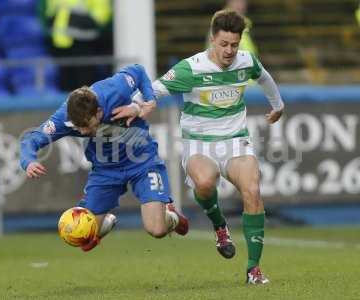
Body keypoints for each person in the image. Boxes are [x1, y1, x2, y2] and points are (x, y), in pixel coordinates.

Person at [113, 10, 284, 284]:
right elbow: (154, 89)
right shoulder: (191, 69)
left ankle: (253, 269)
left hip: (235, 139)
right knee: (204, 185)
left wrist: (278, 106)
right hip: (199, 143)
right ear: (212, 39)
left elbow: (263, 77)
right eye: (223, 44)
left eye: (234, 45)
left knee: (252, 191)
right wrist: (135, 106)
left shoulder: (245, 61)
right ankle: (220, 226)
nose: (229, 51)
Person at [19, 64, 189, 251]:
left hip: (142, 162)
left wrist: (149, 101)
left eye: (86, 125)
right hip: (106, 171)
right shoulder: (64, 119)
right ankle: (105, 221)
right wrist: (29, 161)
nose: (82, 131)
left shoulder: (114, 90)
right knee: (83, 239)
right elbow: (31, 139)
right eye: (78, 127)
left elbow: (138, 71)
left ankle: (170, 216)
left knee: (156, 229)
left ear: (99, 111)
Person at [39, 0, 113, 91]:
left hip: (85, 42)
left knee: (85, 83)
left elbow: (102, 11)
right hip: (60, 43)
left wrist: (89, 22)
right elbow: (49, 11)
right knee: (66, 83)